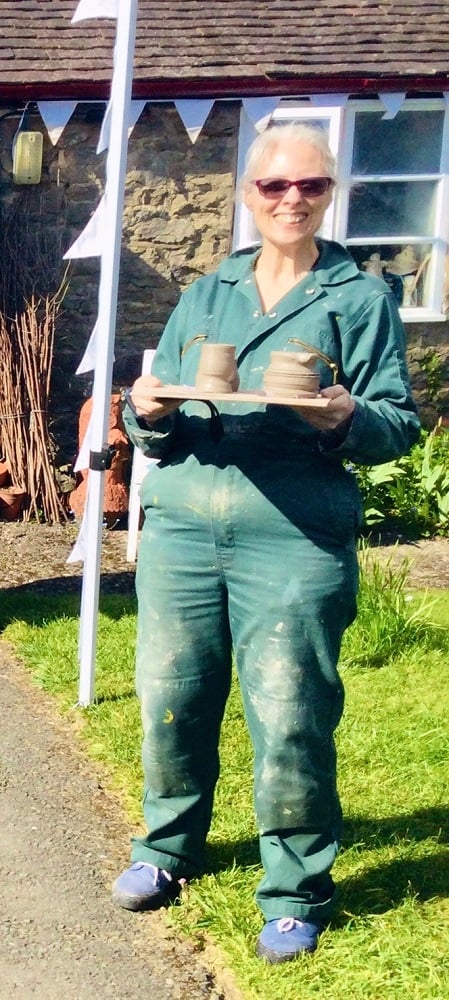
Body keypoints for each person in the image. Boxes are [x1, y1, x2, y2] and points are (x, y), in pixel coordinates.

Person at [113, 123, 420, 962]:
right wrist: (145, 414)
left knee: (289, 715)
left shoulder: (356, 296)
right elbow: (157, 422)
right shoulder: (206, 289)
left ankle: (292, 891)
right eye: (274, 186)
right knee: (168, 697)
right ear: (247, 196)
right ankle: (167, 848)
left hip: (290, 534)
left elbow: (398, 423)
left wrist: (346, 416)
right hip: (182, 527)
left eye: (310, 186)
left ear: (329, 195)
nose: (291, 199)